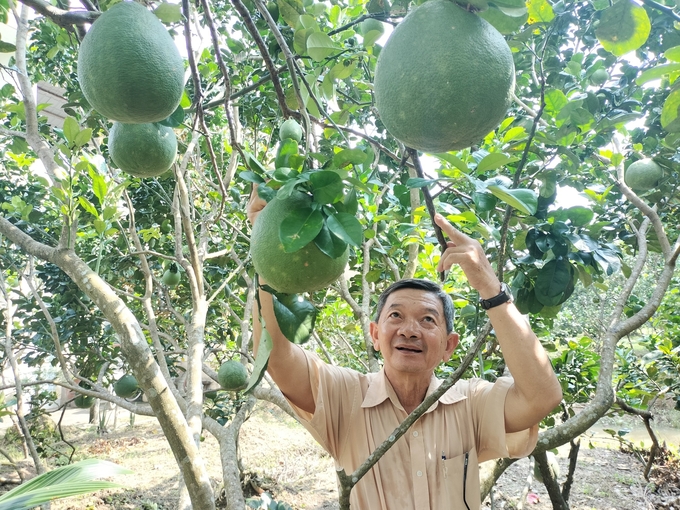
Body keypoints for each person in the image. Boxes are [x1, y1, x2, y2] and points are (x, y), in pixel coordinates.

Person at [248, 188, 563, 510]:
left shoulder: (471, 405)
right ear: (374, 334)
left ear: (449, 345)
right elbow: (277, 356)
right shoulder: (343, 395)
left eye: (427, 320)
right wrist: (269, 249)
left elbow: (542, 397)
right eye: (395, 315)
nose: (409, 330)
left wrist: (490, 288)